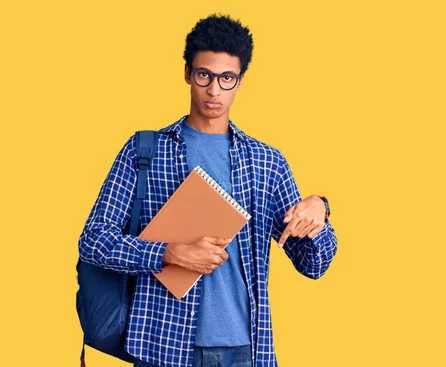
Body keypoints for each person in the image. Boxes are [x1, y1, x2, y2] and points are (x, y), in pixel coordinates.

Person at [78, 14, 338, 367]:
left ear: (240, 81)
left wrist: (320, 210)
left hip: (247, 351)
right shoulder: (145, 151)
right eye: (205, 75)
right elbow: (93, 240)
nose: (214, 90)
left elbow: (314, 265)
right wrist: (169, 253)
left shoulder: (267, 163)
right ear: (188, 73)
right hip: (162, 347)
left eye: (226, 78)